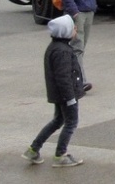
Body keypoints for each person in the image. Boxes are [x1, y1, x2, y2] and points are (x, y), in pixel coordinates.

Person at [23, 14, 85, 167]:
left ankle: (33, 149)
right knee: (71, 122)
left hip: (59, 94)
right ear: (65, 32)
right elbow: (63, 77)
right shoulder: (62, 51)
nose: (75, 29)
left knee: (58, 120)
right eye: (73, 28)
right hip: (66, 95)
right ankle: (60, 155)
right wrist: (70, 97)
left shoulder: (55, 48)